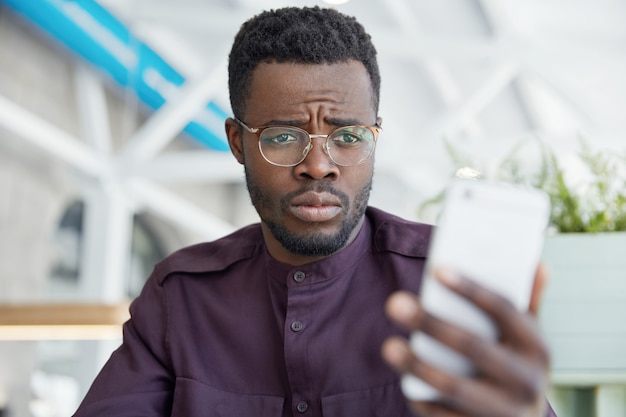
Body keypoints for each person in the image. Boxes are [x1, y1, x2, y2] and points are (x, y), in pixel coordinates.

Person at [73, 6, 557, 417]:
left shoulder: (448, 280)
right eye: (283, 137)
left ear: (374, 137)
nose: (318, 166)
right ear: (238, 143)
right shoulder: (181, 296)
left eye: (348, 137)